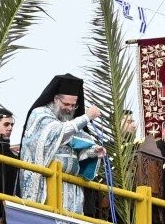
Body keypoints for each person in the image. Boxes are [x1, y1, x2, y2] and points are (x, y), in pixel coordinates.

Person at [18, 73, 103, 216]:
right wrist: (87, 117)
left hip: (71, 188)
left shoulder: (72, 121)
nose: (69, 109)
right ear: (56, 99)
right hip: (44, 185)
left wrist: (94, 151)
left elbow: (79, 144)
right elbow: (58, 133)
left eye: (74, 105)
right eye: (66, 104)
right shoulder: (40, 114)